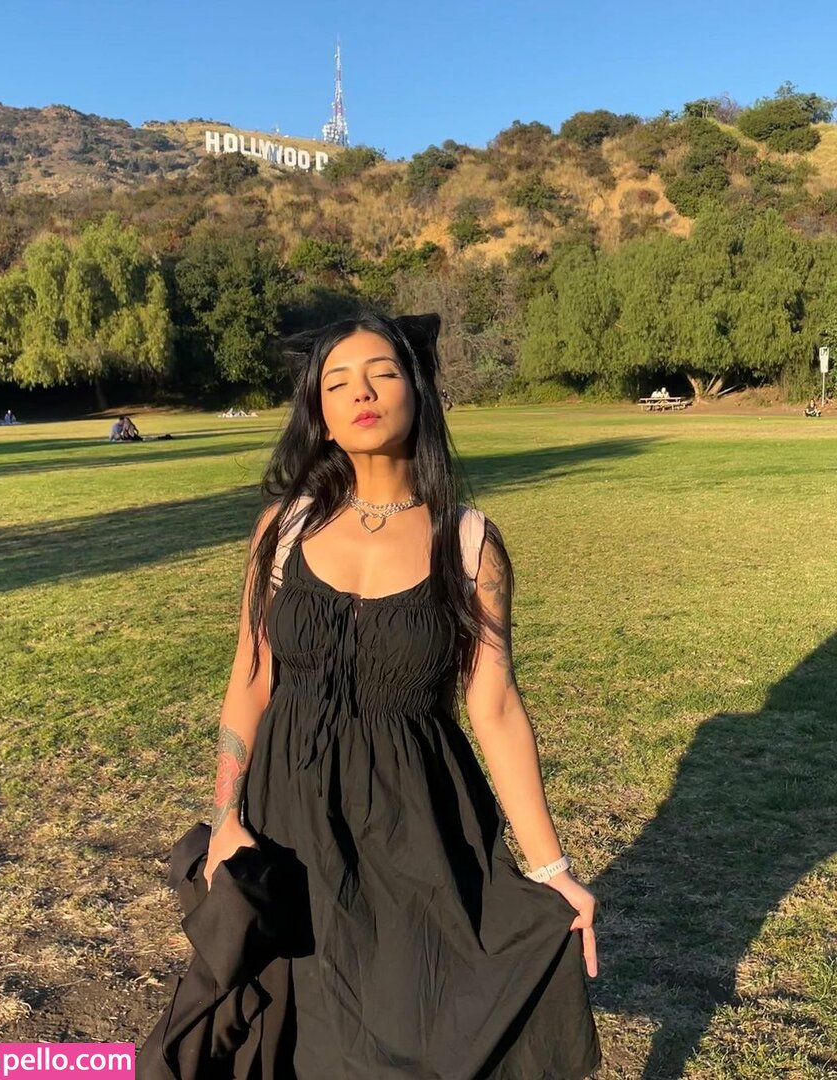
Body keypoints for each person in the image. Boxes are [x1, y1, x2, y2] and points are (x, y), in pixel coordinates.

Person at [140, 311, 601, 1079]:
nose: (362, 392)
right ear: (318, 414)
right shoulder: (282, 529)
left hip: (412, 822)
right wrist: (224, 820)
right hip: (289, 815)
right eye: (338, 381)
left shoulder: (469, 543)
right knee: (295, 1020)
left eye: (382, 373)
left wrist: (552, 869)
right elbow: (250, 677)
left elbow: (494, 708)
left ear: (416, 391)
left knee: (412, 1012)